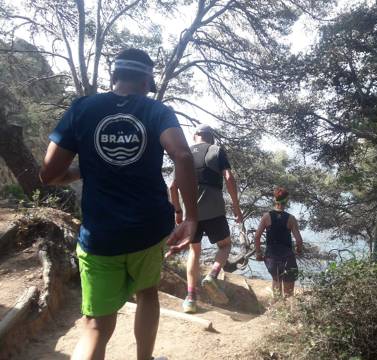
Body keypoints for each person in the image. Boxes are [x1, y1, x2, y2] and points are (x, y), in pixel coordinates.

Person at [39, 48, 198, 360]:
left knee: (96, 326)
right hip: (149, 230)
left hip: (100, 235)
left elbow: (49, 173)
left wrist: (85, 169)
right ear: (145, 81)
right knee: (147, 294)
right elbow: (182, 154)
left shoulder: (83, 108)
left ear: (115, 76)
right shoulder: (157, 111)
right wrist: (191, 217)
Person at [170, 124, 242, 313]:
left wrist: (178, 211)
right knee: (225, 245)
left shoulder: (183, 153)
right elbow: (228, 177)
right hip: (214, 208)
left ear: (195, 136)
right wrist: (236, 206)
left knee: (195, 251)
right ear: (211, 138)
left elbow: (172, 186)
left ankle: (191, 299)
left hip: (191, 211)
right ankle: (212, 274)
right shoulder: (216, 150)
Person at [254, 187, 303, 298]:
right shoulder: (291, 218)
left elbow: (257, 237)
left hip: (271, 257)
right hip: (287, 257)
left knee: (276, 280)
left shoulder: (266, 216)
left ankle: (276, 309)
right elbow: (299, 240)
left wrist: (258, 254)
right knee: (288, 294)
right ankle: (286, 312)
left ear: (274, 199)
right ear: (287, 201)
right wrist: (298, 251)